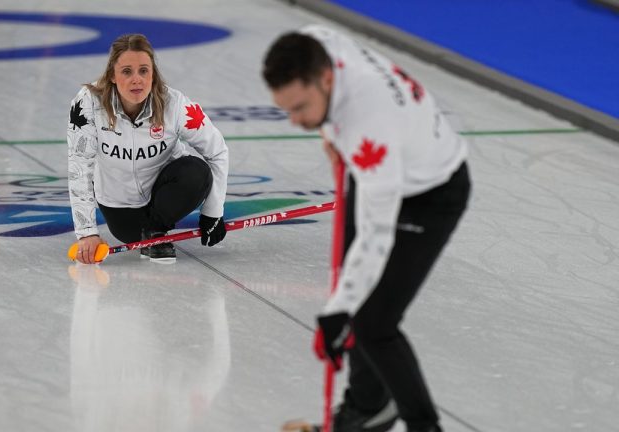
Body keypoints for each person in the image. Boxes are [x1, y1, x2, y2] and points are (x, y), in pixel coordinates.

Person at [263, 26, 471, 432]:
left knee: (372, 322)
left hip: (431, 194)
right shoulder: (315, 41)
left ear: (325, 79)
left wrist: (337, 312)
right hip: (381, 161)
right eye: (287, 110)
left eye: (301, 108)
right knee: (351, 280)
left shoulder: (367, 123)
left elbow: (377, 236)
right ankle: (369, 406)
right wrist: (327, 129)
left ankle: (424, 425)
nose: (295, 121)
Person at [68, 34, 229, 264]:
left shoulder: (176, 104)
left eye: (144, 70)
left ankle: (156, 230)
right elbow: (79, 165)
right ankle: (148, 232)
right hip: (119, 205)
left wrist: (213, 212)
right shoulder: (87, 104)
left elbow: (217, 150)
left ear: (153, 74)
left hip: (164, 193)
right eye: (127, 71)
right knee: (131, 232)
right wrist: (87, 233)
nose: (137, 79)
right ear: (112, 75)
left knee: (197, 171)